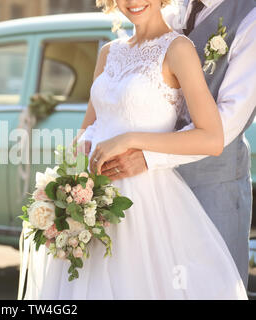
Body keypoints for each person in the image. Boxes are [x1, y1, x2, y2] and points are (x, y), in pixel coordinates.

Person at [21, 0, 248, 299]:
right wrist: (69, 186)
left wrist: (129, 140)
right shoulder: (108, 53)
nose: (133, 2)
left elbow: (212, 138)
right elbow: (89, 127)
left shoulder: (178, 49)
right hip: (92, 202)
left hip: (145, 202)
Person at [92, 0, 256, 288]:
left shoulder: (249, 16)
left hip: (212, 183)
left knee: (209, 286)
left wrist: (147, 155)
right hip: (134, 194)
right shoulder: (165, 12)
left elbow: (227, 121)